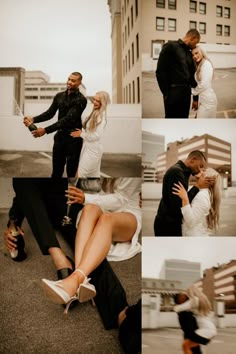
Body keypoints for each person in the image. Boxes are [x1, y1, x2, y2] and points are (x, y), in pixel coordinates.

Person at [41, 178, 142, 311]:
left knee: (106, 219)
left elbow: (122, 199)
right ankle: (79, 283)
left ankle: (73, 280)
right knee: (89, 209)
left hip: (127, 211)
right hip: (102, 204)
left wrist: (85, 197)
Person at [23, 72, 87, 177]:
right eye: (69, 79)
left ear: (79, 82)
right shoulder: (59, 96)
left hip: (73, 140)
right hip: (60, 138)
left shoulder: (81, 100)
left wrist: (45, 130)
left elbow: (67, 120)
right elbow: (49, 113)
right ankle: (54, 192)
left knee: (71, 173)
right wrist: (33, 120)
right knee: (56, 172)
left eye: (73, 80)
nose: (69, 82)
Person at [154, 150, 215, 237]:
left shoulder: (183, 173)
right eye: (200, 166)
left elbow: (183, 198)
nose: (200, 170)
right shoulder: (177, 172)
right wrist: (197, 186)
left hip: (169, 223)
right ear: (193, 160)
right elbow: (178, 205)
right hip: (167, 226)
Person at [156, 29, 200, 118]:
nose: (195, 45)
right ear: (192, 37)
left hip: (186, 96)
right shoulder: (170, 46)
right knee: (171, 122)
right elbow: (160, 71)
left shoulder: (189, 53)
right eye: (196, 42)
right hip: (172, 95)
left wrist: (195, 99)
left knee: (184, 121)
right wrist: (167, 94)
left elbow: (192, 77)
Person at [70, 91, 111, 177]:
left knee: (80, 175)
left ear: (103, 103)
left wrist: (81, 134)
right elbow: (90, 131)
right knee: (91, 176)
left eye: (98, 101)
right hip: (89, 147)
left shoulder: (100, 117)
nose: (94, 102)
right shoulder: (95, 113)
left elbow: (97, 136)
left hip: (93, 150)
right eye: (94, 100)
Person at [172, 168, 221, 236]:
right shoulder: (200, 192)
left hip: (194, 238)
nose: (200, 170)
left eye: (204, 171)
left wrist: (185, 198)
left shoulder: (202, 196)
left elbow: (191, 222)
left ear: (208, 180)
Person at [174, 285, 217, 354]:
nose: (186, 295)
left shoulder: (195, 300)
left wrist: (175, 308)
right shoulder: (199, 301)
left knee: (185, 346)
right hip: (209, 328)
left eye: (187, 294)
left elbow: (179, 308)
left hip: (206, 329)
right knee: (193, 348)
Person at [191, 46, 217, 118]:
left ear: (202, 52)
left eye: (196, 53)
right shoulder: (200, 65)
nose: (195, 56)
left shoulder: (206, 64)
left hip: (209, 102)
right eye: (193, 55)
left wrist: (192, 92)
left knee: (199, 124)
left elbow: (204, 85)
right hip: (203, 100)